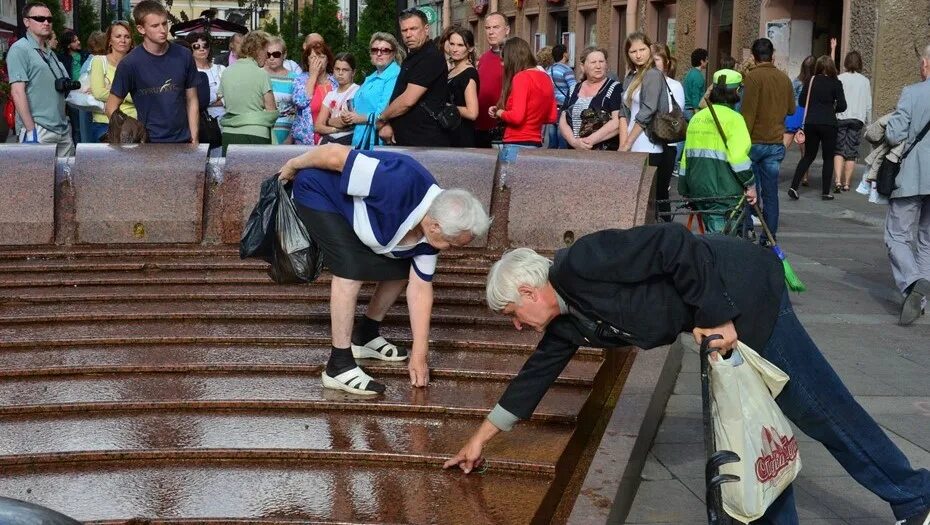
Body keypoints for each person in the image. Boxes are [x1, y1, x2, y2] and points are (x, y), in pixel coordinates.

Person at [443, 224, 930, 525]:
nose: (515, 324)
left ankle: (915, 498)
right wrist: (481, 438)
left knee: (821, 411)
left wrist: (716, 314)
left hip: (743, 295)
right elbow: (535, 377)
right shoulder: (567, 320)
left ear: (530, 291)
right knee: (752, 434)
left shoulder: (581, 263)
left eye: (511, 312)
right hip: (716, 322)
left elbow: (674, 242)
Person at [277, 144, 491, 395]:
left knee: (402, 266)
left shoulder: (434, 229)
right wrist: (293, 164)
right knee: (350, 268)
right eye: (451, 244)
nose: (450, 250)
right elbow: (333, 154)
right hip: (318, 192)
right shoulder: (397, 180)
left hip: (359, 214)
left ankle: (365, 335)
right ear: (434, 226)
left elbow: (420, 288)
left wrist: (420, 353)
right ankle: (339, 365)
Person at [106, 0, 199, 144]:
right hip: (148, 144)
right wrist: (127, 127)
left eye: (164, 23)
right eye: (155, 26)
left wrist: (194, 138)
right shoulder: (130, 64)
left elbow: (192, 99)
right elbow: (111, 106)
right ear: (141, 29)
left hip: (183, 141)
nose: (162, 30)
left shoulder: (184, 55)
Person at [884, 43, 930, 327]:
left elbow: (894, 134)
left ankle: (913, 284)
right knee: (927, 240)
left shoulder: (913, 93)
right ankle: (922, 299)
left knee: (896, 236)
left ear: (926, 64)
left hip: (914, 174)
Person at [679, 69, 757, 232]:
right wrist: (750, 184)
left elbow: (686, 157)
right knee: (721, 239)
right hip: (724, 190)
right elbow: (738, 158)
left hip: (698, 188)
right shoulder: (735, 119)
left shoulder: (696, 118)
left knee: (712, 231)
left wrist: (683, 187)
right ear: (736, 91)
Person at [618, 32, 675, 222]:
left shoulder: (653, 74)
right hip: (632, 143)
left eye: (642, 49)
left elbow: (647, 110)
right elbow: (624, 111)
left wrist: (627, 142)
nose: (638, 54)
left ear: (649, 49)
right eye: (633, 51)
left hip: (648, 144)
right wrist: (623, 143)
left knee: (647, 202)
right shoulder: (631, 76)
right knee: (633, 199)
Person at [740, 37, 795, 237]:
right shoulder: (784, 78)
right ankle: (769, 235)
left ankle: (747, 229)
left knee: (748, 189)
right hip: (775, 141)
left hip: (754, 141)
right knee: (771, 193)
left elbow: (748, 115)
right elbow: (791, 109)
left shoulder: (753, 78)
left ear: (754, 57)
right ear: (772, 56)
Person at [7, 1, 74, 156]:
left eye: (49, 19)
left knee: (65, 179)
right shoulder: (20, 49)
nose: (46, 22)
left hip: (62, 128)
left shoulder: (48, 52)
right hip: (39, 129)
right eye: (39, 18)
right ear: (26, 22)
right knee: (38, 180)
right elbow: (17, 92)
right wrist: (31, 131)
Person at [375, 8, 450, 147]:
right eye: (404, 30)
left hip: (423, 142)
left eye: (413, 29)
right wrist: (387, 123)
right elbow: (398, 94)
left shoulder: (431, 56)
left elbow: (407, 100)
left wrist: (382, 118)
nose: (408, 34)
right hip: (407, 140)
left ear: (426, 29)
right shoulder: (412, 57)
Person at [787, 55, 847, 201]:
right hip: (829, 123)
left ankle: (794, 186)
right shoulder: (836, 83)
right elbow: (842, 105)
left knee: (808, 156)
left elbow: (801, 101)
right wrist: (831, 107)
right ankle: (826, 192)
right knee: (828, 158)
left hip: (811, 122)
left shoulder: (811, 81)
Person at [337, 33, 403, 150]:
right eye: (374, 50)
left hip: (376, 141)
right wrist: (348, 113)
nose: (379, 53)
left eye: (385, 50)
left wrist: (360, 118)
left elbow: (386, 111)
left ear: (393, 54)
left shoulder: (394, 74)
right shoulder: (372, 76)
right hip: (360, 137)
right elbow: (359, 103)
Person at [486, 37, 555, 148]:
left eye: (503, 60)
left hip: (515, 143)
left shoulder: (521, 78)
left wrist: (499, 113)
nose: (502, 64)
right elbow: (551, 117)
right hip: (536, 142)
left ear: (513, 59)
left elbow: (517, 117)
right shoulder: (546, 77)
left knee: (508, 166)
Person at [217, 30, 277, 150]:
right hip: (256, 134)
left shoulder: (226, 72)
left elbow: (221, 98)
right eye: (266, 52)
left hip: (229, 133)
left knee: (232, 169)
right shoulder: (262, 74)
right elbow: (271, 110)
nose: (267, 56)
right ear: (259, 50)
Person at [558, 46, 621, 151]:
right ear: (583, 66)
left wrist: (588, 142)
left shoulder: (615, 88)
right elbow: (563, 119)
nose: (598, 66)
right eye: (593, 62)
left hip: (603, 153)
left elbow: (617, 122)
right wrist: (574, 142)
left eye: (601, 61)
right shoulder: (573, 89)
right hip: (573, 150)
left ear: (606, 64)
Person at [88, 21, 136, 143]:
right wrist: (128, 94)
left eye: (127, 37)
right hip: (105, 123)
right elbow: (98, 93)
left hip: (134, 122)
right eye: (118, 36)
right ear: (110, 41)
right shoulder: (99, 61)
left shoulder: (136, 64)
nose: (123, 40)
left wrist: (112, 91)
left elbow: (143, 95)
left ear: (131, 42)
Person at [833, 50, 872, 192]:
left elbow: (835, 100)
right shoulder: (865, 81)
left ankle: (837, 180)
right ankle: (847, 183)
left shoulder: (840, 78)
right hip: (857, 120)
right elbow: (868, 104)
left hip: (841, 118)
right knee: (851, 152)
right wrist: (869, 122)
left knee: (838, 150)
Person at [475, 12, 510, 148]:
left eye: (496, 27)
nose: (491, 32)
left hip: (503, 129)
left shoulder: (513, 58)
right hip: (479, 127)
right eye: (488, 28)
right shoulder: (483, 58)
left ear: (506, 30)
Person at [292, 41, 335, 145]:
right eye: (313, 57)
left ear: (327, 60)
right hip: (306, 140)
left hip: (331, 139)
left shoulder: (335, 82)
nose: (317, 61)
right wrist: (313, 76)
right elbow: (300, 102)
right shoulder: (300, 80)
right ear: (307, 61)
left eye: (321, 57)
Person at [443, 26, 479, 148]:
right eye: (452, 44)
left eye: (460, 45)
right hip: (448, 132)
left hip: (461, 135)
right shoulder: (452, 70)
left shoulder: (469, 73)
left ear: (470, 48)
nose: (454, 49)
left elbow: (472, 112)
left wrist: (446, 106)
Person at [653, 43, 686, 175]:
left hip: (666, 143)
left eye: (655, 60)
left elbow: (676, 116)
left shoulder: (675, 86)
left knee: (661, 190)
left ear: (666, 62)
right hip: (643, 144)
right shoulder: (639, 83)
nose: (651, 64)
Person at [314, 52, 359, 145]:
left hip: (349, 141)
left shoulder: (358, 92)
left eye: (345, 70)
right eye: (337, 69)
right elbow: (318, 126)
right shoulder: (330, 95)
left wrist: (327, 121)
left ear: (353, 72)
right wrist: (335, 129)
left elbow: (347, 122)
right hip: (331, 139)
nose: (340, 73)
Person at [784, 55, 815, 186]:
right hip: (806, 116)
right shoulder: (814, 83)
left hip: (793, 114)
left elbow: (788, 97)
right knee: (805, 151)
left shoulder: (796, 81)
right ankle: (805, 176)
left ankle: (773, 168)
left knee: (784, 145)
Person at [263, 36, 297, 144]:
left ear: (284, 55)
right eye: (268, 54)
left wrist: (291, 137)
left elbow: (299, 112)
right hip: (264, 132)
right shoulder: (259, 75)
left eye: (276, 54)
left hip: (287, 134)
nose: (271, 58)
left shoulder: (295, 79)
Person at [56, 30, 88, 144]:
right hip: (72, 96)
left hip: (86, 94)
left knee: (87, 125)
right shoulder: (61, 59)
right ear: (68, 45)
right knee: (77, 127)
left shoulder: (86, 55)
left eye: (78, 39)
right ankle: (79, 152)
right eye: (75, 41)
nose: (79, 42)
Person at [186, 32, 225, 123]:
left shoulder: (221, 69)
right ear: (189, 49)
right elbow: (197, 102)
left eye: (205, 45)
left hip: (225, 120)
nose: (202, 49)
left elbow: (231, 95)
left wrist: (210, 101)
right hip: (204, 122)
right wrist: (219, 97)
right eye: (196, 46)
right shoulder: (189, 72)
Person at [548, 44, 576, 149]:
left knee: (552, 140)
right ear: (564, 54)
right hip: (564, 107)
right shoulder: (566, 70)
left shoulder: (549, 70)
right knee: (562, 139)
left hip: (552, 107)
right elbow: (573, 88)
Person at [683, 47, 707, 120]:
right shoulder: (698, 76)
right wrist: (697, 114)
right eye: (706, 59)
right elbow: (695, 95)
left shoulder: (690, 73)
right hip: (692, 110)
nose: (707, 61)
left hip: (686, 109)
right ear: (702, 61)